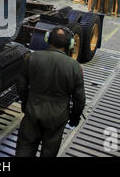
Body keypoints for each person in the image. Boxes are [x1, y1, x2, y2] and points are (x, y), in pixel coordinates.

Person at [15, 27, 86, 157]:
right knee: (49, 151)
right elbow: (79, 99)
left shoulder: (31, 58)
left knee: (25, 148)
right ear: (69, 44)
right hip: (57, 117)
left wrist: (26, 104)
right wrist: (74, 118)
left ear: (47, 39)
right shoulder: (74, 67)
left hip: (33, 112)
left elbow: (21, 86)